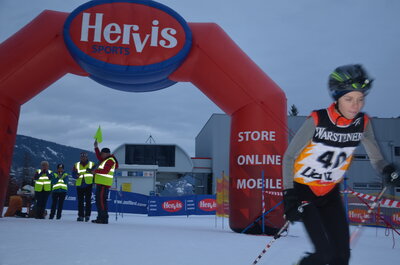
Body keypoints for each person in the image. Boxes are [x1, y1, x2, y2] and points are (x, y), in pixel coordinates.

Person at [282, 64, 400, 265]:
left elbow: (376, 159)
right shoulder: (318, 120)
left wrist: (387, 170)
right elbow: (289, 157)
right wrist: (289, 195)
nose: (355, 106)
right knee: (324, 254)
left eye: (360, 99)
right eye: (349, 99)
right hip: (305, 190)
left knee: (341, 257)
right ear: (337, 98)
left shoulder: (362, 123)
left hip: (330, 193)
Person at [92, 141, 119, 224]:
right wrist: (96, 147)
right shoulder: (106, 159)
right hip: (102, 184)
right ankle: (101, 217)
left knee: (101, 201)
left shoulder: (110, 160)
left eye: (102, 154)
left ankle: (103, 218)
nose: (101, 155)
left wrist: (95, 171)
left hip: (103, 184)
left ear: (107, 154)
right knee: (100, 201)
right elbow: (98, 156)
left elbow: (105, 171)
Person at [72, 152, 95, 222]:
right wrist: (76, 175)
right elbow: (73, 174)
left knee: (88, 201)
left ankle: (87, 215)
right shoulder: (76, 165)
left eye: (84, 157)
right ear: (80, 158)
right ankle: (81, 216)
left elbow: (95, 173)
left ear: (87, 157)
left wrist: (94, 181)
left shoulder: (92, 164)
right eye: (82, 157)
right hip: (80, 184)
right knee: (80, 201)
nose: (83, 158)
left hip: (89, 184)